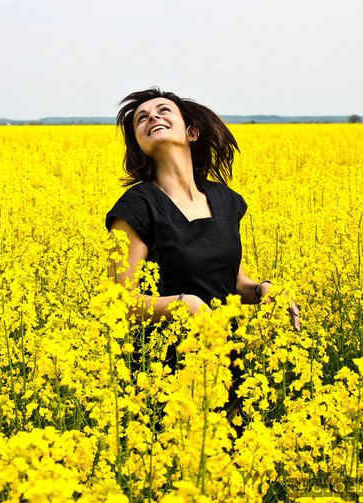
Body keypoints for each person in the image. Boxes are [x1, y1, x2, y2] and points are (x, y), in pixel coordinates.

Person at [106, 87, 300, 329]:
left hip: (225, 355)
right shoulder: (136, 207)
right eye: (141, 118)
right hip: (165, 361)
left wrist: (263, 289)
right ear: (138, 144)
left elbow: (235, 283)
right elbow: (119, 301)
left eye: (163, 110)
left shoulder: (226, 200)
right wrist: (182, 305)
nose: (153, 117)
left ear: (192, 133)